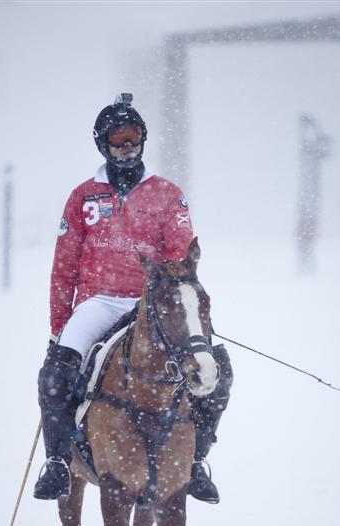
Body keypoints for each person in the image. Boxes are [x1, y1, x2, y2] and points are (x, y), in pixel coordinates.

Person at [34, 93, 231, 503]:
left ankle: (196, 462)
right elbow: (64, 266)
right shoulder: (83, 197)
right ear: (102, 143)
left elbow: (180, 255)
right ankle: (57, 463)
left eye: (134, 137)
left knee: (218, 369)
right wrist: (58, 327)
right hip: (99, 302)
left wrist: (173, 302)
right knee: (55, 375)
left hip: (152, 303)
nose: (127, 147)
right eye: (118, 139)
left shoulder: (167, 194)